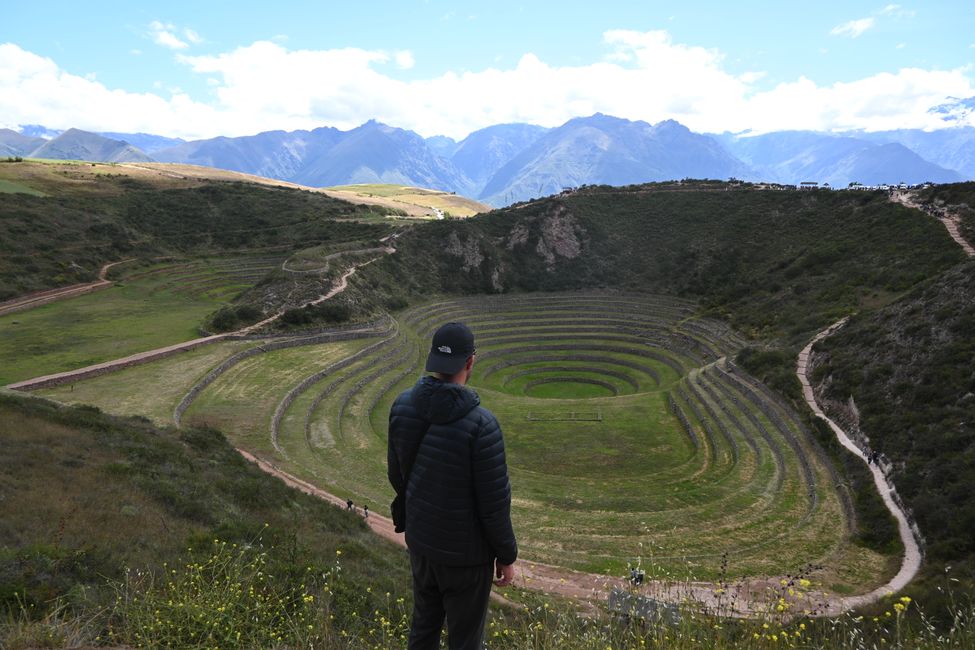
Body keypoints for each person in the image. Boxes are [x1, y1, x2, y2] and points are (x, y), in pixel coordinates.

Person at [388, 322, 517, 650]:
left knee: (423, 629)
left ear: (432, 359)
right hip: (466, 559)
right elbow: (494, 504)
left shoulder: (402, 406)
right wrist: (506, 555)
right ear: (470, 362)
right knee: (466, 641)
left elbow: (397, 475)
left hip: (421, 544)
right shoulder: (482, 425)